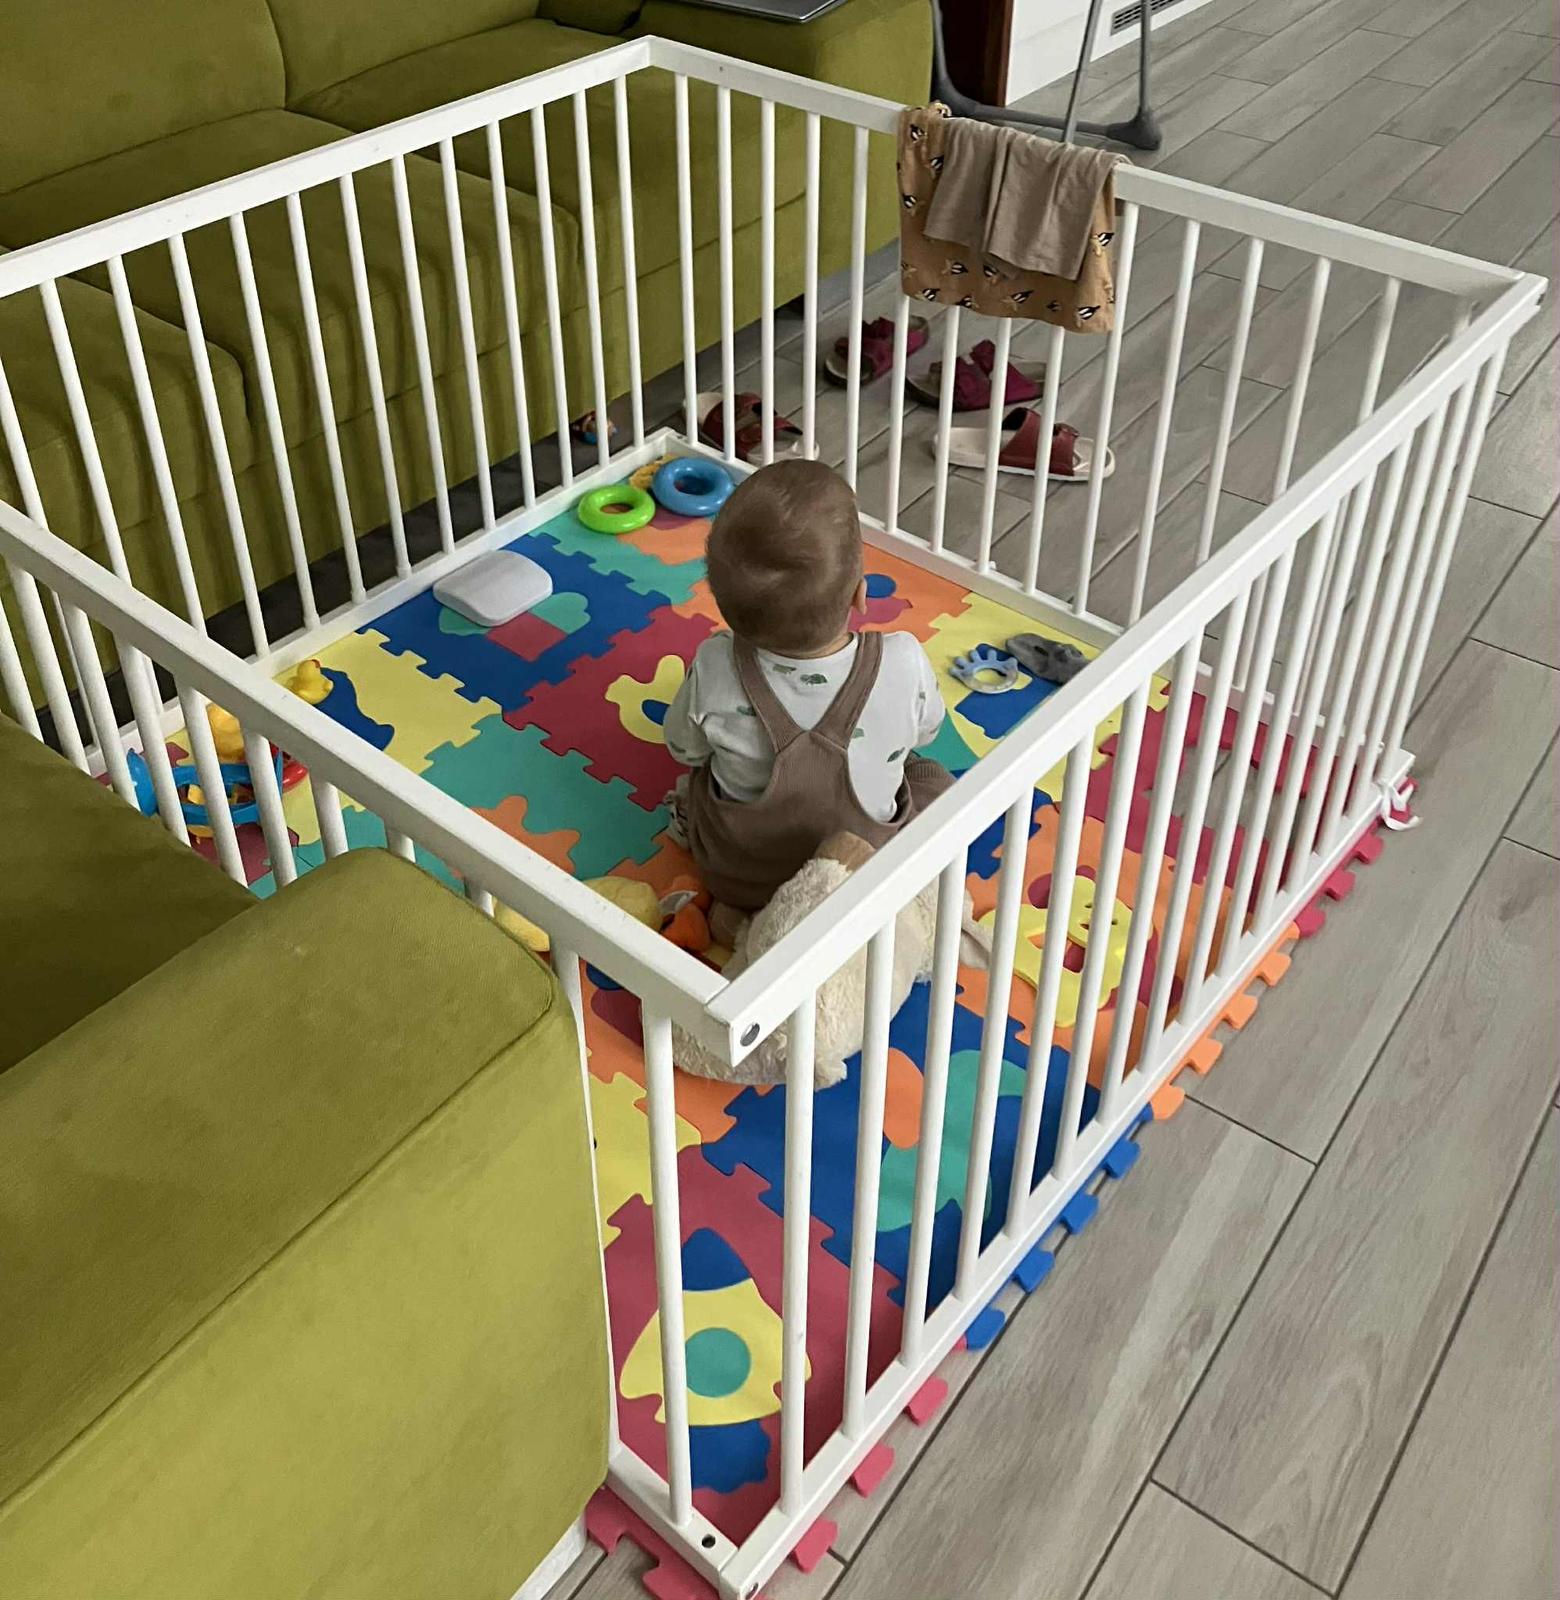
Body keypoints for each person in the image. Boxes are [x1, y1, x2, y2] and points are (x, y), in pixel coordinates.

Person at [664, 459, 954, 914]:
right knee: (930, 776)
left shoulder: (715, 663)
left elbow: (684, 748)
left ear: (725, 607)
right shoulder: (902, 660)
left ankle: (732, 906)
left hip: (739, 877)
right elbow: (927, 732)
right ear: (860, 594)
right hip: (860, 876)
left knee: (705, 773)